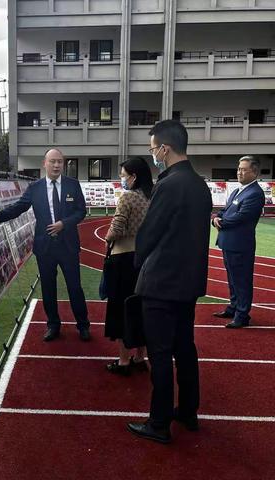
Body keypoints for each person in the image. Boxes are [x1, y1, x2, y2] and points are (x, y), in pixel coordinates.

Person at [127, 120, 212, 444]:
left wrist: (138, 262)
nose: (153, 155)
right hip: (188, 284)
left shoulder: (170, 183)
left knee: (160, 354)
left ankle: (159, 423)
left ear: (164, 148)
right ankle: (188, 412)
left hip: (162, 283)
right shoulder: (199, 184)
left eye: (153, 150)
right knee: (185, 349)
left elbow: (150, 232)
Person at [0, 148, 90, 341]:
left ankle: (83, 325)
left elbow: (80, 211)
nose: (57, 165)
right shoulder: (35, 187)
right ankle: (53, 325)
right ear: (45, 163)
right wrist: (0, 216)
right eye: (52, 161)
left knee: (75, 287)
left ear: (63, 163)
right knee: (48, 288)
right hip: (45, 248)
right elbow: (20, 207)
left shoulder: (73, 185)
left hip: (68, 246)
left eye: (60, 161)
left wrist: (64, 224)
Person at [104, 157, 152, 376]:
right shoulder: (152, 197)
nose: (122, 179)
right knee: (141, 309)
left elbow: (117, 227)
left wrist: (107, 237)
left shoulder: (128, 197)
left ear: (133, 177)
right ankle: (140, 357)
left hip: (123, 259)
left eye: (123, 175)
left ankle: (123, 361)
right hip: (146, 259)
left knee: (121, 309)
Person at [212, 156, 265, 328]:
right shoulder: (237, 191)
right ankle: (234, 307)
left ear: (254, 172)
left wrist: (221, 222)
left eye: (244, 169)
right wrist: (215, 218)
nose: (239, 172)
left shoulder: (255, 193)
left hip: (241, 244)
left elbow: (242, 216)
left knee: (242, 280)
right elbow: (225, 211)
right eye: (238, 169)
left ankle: (242, 315)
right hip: (228, 242)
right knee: (232, 278)